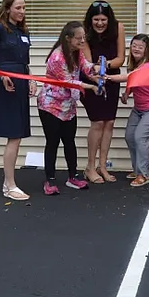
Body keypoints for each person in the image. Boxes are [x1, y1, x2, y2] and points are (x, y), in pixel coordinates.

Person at [0, 0, 35, 201]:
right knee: (13, 134)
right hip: (7, 83)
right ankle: (9, 185)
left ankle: (9, 182)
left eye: (24, 8)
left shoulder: (23, 31)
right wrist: (1, 75)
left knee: (18, 134)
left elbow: (25, 62)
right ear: (8, 8)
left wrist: (31, 80)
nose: (22, 12)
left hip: (21, 81)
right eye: (18, 8)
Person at [36, 21, 99, 195]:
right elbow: (68, 81)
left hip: (68, 105)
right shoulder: (57, 57)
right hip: (50, 105)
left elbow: (86, 67)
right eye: (79, 38)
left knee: (69, 141)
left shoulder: (76, 53)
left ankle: (73, 177)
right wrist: (91, 87)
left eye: (83, 38)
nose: (82, 41)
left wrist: (97, 71)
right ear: (67, 38)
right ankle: (49, 180)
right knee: (53, 142)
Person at [104, 34, 149, 186]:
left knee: (140, 137)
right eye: (134, 46)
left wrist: (108, 77)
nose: (136, 49)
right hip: (139, 108)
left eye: (140, 47)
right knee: (130, 136)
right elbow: (133, 81)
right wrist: (126, 93)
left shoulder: (148, 66)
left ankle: (144, 174)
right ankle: (138, 168)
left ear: (147, 50)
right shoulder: (135, 64)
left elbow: (130, 77)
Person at [81, 0, 126, 184]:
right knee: (97, 122)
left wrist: (105, 65)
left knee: (109, 123)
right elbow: (88, 64)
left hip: (112, 79)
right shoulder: (84, 32)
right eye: (96, 19)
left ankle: (103, 166)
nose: (100, 23)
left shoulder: (118, 28)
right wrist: (97, 71)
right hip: (92, 81)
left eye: (103, 19)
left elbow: (120, 59)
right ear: (90, 20)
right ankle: (90, 167)